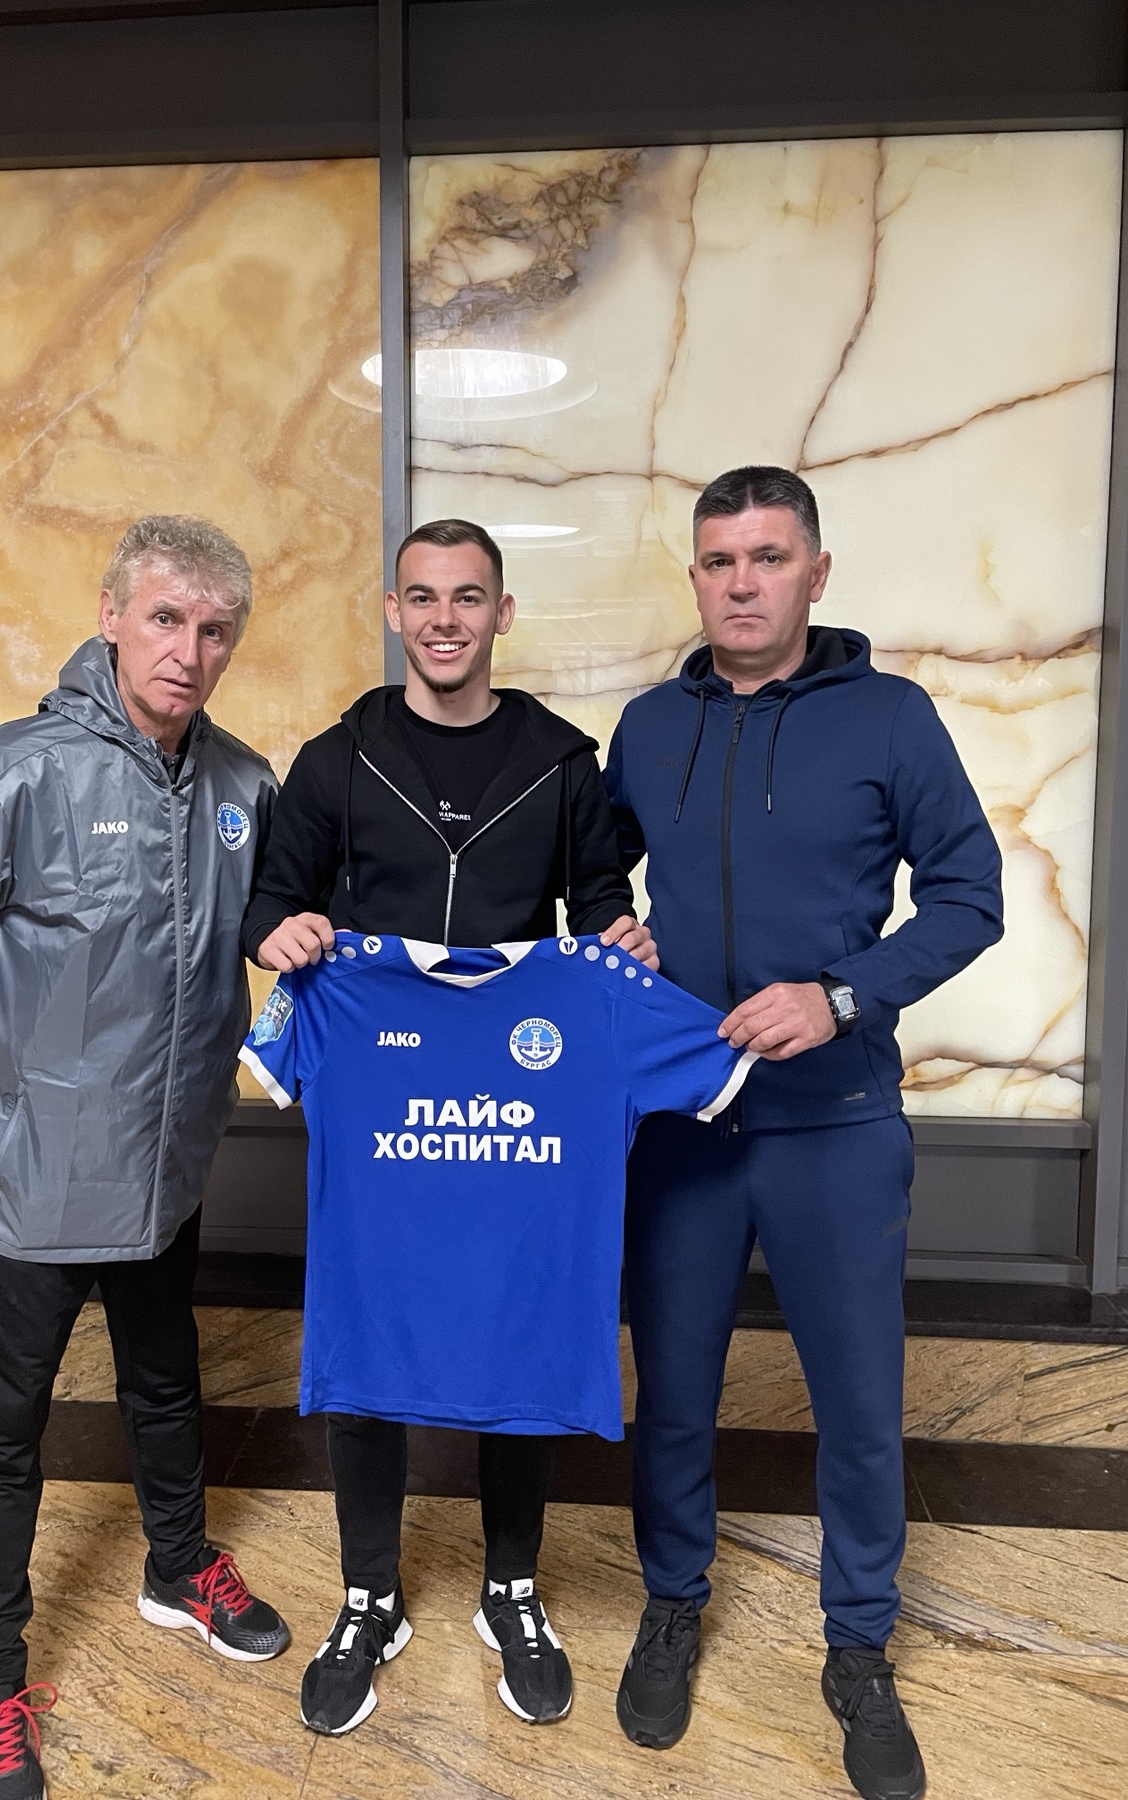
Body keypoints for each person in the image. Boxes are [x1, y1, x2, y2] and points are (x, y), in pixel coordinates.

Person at [0, 516, 290, 1800]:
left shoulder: (244, 787)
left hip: (167, 1177)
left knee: (165, 1384)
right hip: (31, 1186)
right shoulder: (15, 774)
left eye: (214, 630)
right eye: (165, 620)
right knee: (3, 1436)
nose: (188, 652)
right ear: (110, 616)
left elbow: (271, 942)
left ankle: (178, 1566)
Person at [605, 467, 1003, 1800]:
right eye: (719, 561)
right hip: (685, 1127)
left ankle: (859, 1646)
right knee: (672, 1393)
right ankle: (673, 1603)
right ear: (696, 577)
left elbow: (970, 895)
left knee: (859, 1408)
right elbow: (595, 877)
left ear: (815, 573)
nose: (741, 583)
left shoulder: (890, 718)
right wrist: (613, 932)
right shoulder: (647, 727)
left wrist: (840, 996)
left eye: (767, 558)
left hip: (836, 1125)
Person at [242, 516, 658, 1737]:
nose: (443, 619)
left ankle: (510, 1586)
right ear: (392, 611)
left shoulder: (560, 760)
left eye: (467, 597)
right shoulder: (340, 757)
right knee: (371, 1321)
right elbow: (270, 898)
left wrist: (621, 939)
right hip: (386, 1098)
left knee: (519, 1319)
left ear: (501, 614)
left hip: (520, 1102)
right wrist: (278, 933)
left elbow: (602, 903)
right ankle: (369, 1593)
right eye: (421, 597)